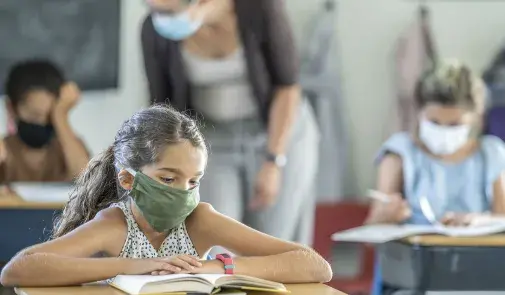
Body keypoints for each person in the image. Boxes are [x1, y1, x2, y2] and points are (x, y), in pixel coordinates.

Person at [0, 105, 332, 287]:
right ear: (129, 178)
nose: (183, 193)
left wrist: (215, 267)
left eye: (193, 181)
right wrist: (136, 266)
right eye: (168, 178)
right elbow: (18, 270)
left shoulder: (200, 219)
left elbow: (315, 266)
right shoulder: (115, 225)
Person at [141, 0, 320, 246]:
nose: (161, 19)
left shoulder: (259, 9)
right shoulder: (154, 31)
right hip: (211, 139)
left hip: (278, 132)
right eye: (153, 10)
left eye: (168, 11)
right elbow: (162, 108)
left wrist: (274, 161)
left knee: (273, 241)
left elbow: (287, 87)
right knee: (216, 238)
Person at [366, 59, 505, 294]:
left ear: (475, 118)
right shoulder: (400, 154)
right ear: (419, 113)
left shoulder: (491, 153)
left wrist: (480, 221)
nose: (443, 132)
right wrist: (384, 217)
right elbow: (370, 236)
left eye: (454, 124)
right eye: (434, 122)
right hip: (414, 279)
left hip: (480, 277)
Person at [0, 59, 89, 183]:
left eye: (49, 116)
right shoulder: (6, 149)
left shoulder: (67, 146)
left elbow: (87, 179)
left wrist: (60, 116)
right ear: (12, 108)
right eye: (35, 115)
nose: (42, 122)